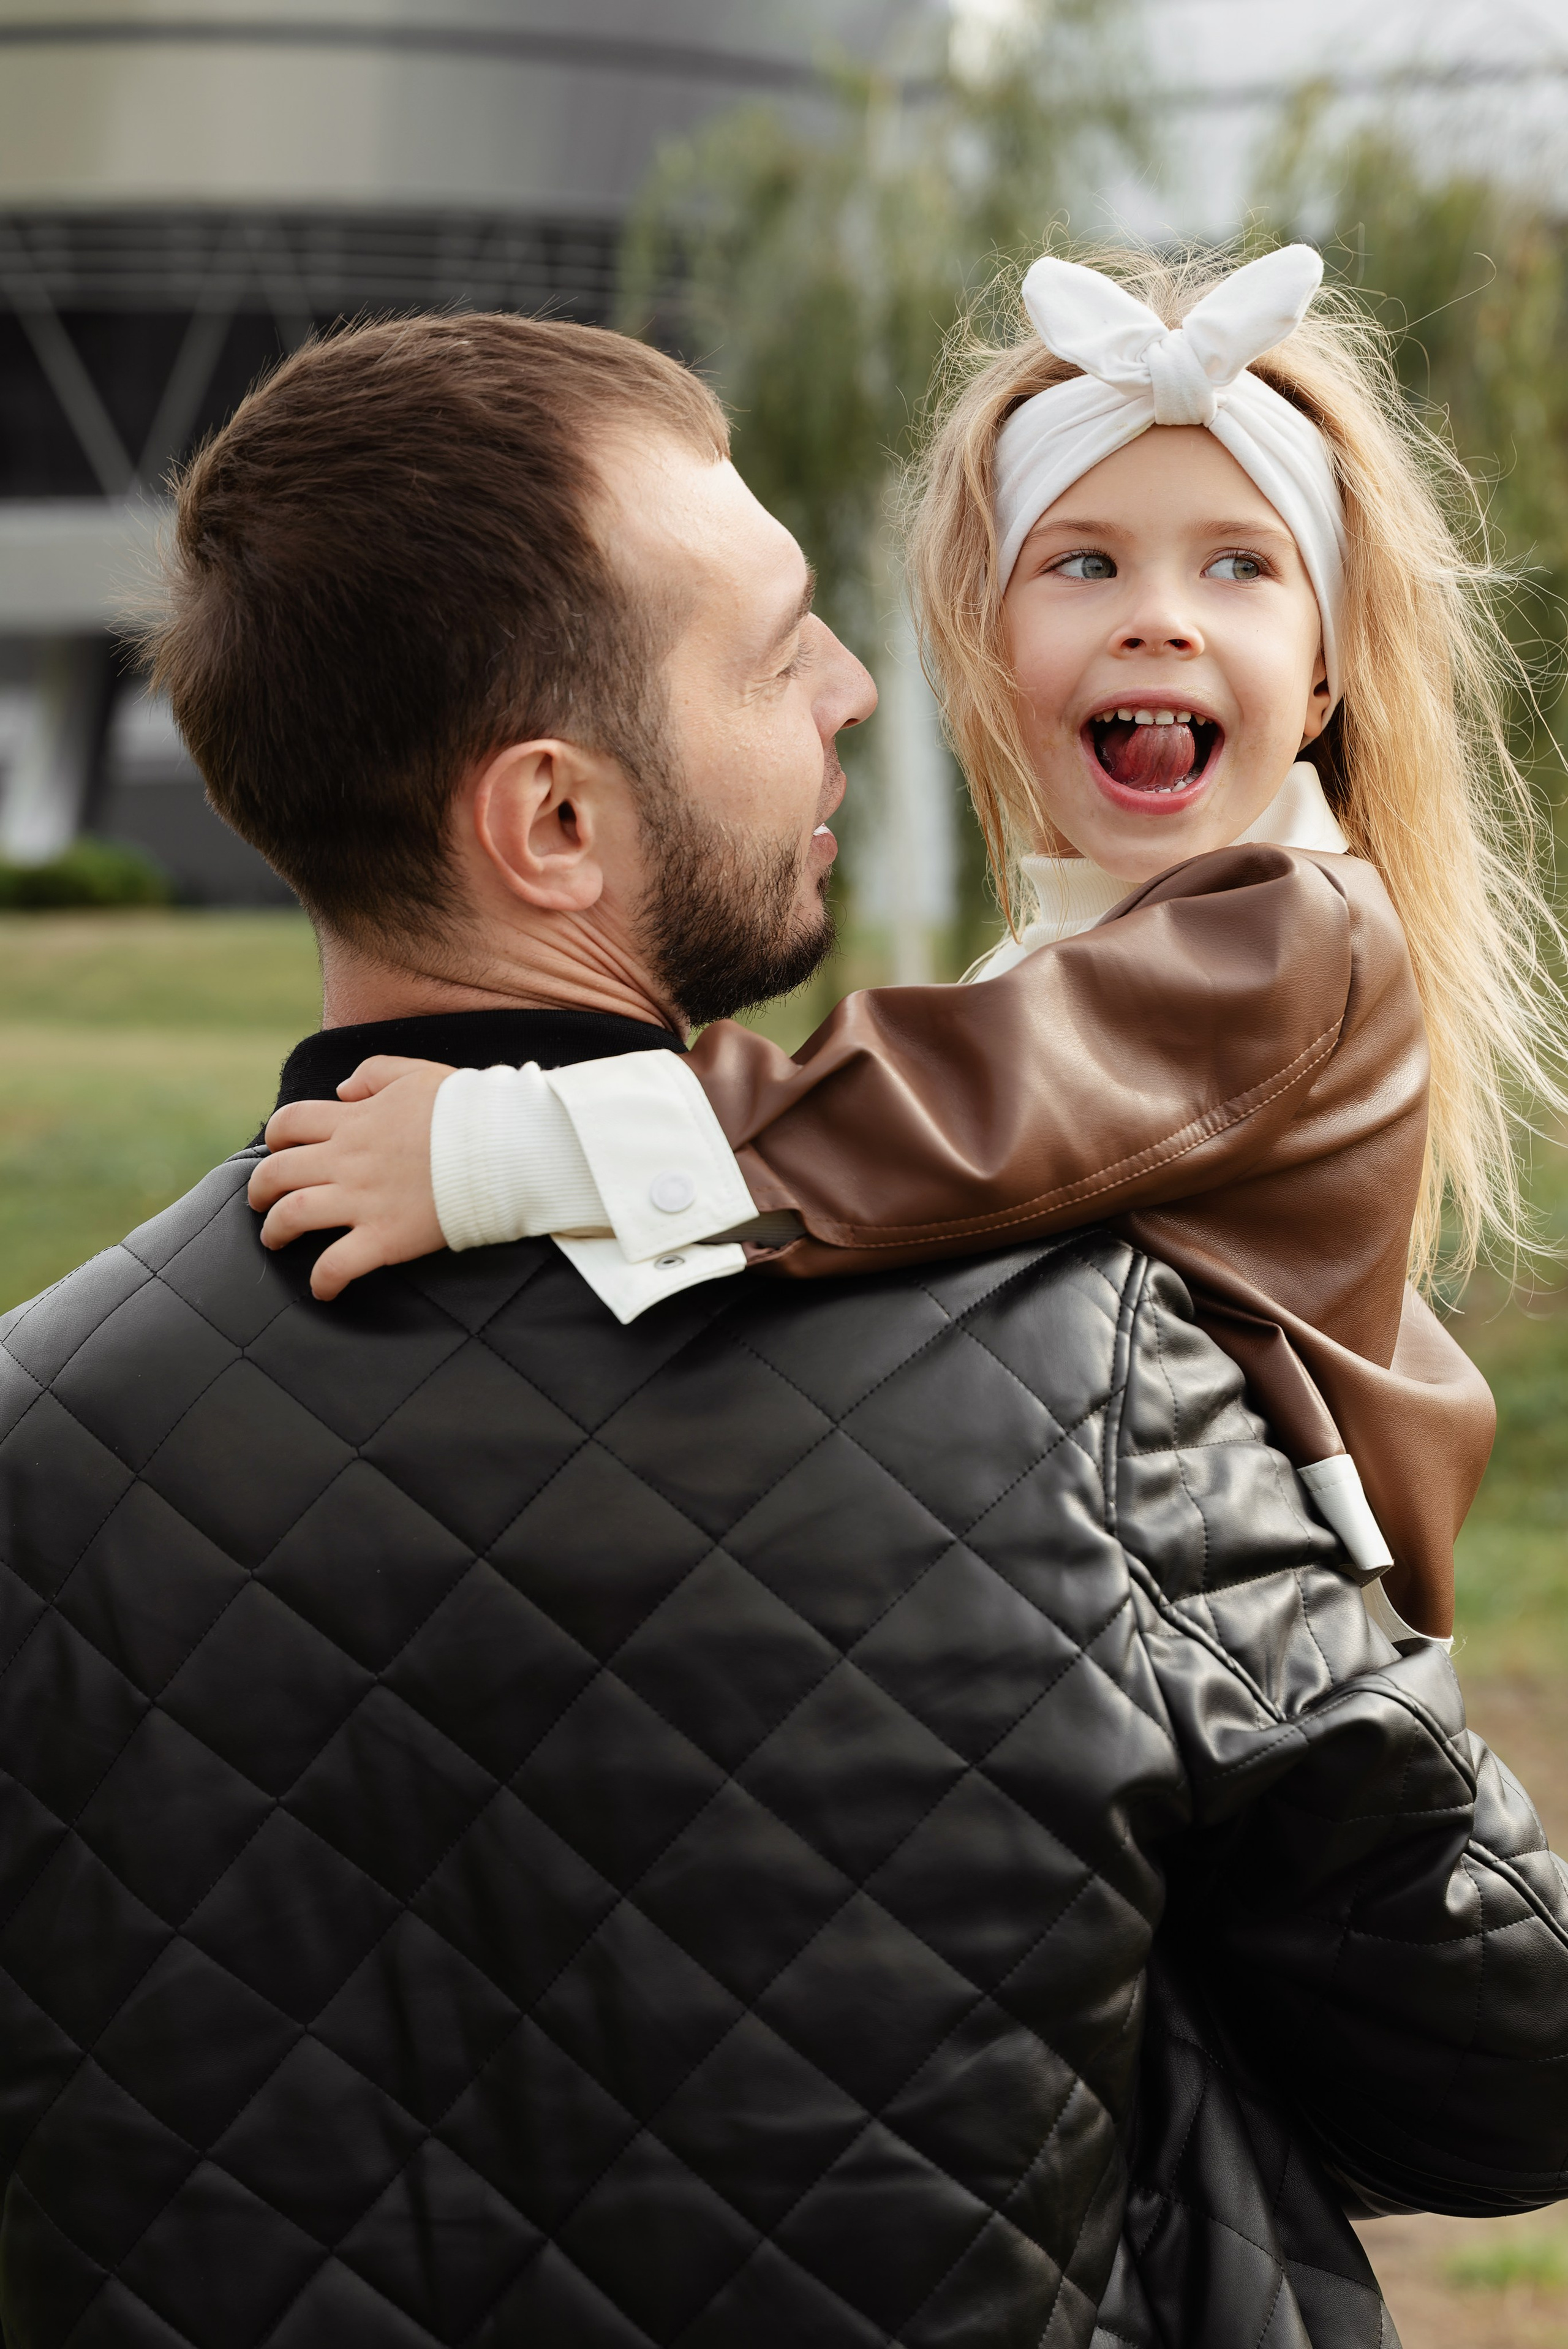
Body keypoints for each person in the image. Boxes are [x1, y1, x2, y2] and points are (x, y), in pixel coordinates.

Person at [1, 311, 1564, 2349]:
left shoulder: (34, 1437)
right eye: (775, 650)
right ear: (554, 824)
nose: (854, 693)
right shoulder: (1102, 1384)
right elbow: (1503, 2056)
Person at [253, 244, 1568, 1646]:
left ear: (1320, 681)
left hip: (1260, 1636)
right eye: (1081, 561)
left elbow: (939, 1115)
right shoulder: (1109, 943)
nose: (1158, 616)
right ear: (989, 648)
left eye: (1240, 566)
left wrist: (499, 1149)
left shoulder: (1285, 934)